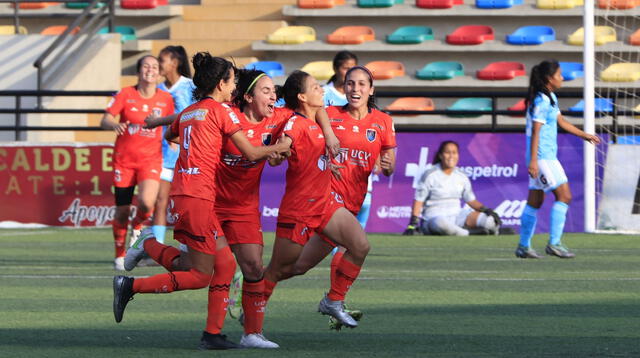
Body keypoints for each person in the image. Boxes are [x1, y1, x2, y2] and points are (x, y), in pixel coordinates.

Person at [112, 53, 290, 350]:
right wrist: (282, 145)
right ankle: (132, 281)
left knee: (222, 265)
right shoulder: (223, 112)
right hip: (197, 197)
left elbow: (171, 133)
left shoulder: (192, 111)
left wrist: (196, 148)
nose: (234, 87)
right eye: (232, 81)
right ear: (222, 83)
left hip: (187, 194)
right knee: (198, 274)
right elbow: (252, 153)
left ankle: (212, 334)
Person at [260, 70, 370, 330]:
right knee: (281, 270)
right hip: (300, 208)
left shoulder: (316, 117)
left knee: (360, 246)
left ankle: (333, 301)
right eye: (316, 87)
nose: (322, 89)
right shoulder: (295, 123)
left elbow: (317, 117)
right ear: (301, 96)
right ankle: (252, 305)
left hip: (326, 203)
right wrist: (275, 152)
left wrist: (325, 158)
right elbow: (283, 147)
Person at [314, 65, 398, 330]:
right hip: (325, 198)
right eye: (350, 83)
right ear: (344, 87)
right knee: (358, 245)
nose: (355, 89)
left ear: (371, 89)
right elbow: (310, 112)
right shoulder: (329, 113)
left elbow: (390, 167)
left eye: (362, 84)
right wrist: (327, 133)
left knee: (296, 264)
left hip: (353, 201)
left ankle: (257, 291)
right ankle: (335, 300)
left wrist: (387, 165)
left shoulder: (383, 121)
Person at [516, 59, 600, 259]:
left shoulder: (550, 97)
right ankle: (554, 243)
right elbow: (536, 131)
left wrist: (584, 134)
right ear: (548, 78)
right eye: (559, 74)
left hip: (546, 155)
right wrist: (534, 161)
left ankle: (523, 246)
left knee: (535, 200)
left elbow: (560, 121)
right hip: (542, 157)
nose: (562, 78)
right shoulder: (541, 100)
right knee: (565, 196)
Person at [100, 55, 175, 271]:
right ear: (138, 71)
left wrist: (172, 139)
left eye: (154, 67)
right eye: (145, 66)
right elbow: (105, 118)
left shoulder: (165, 98)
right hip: (124, 161)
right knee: (122, 210)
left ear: (159, 73)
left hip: (151, 160)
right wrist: (113, 125)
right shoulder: (125, 94)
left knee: (146, 203)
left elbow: (171, 123)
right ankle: (119, 254)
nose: (150, 70)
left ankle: (138, 229)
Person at [146, 45, 195, 244]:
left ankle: (190, 246)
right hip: (163, 156)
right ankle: (156, 246)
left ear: (175, 63)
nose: (158, 64)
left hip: (188, 156)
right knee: (160, 201)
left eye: (162, 60)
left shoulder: (190, 87)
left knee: (187, 205)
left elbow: (194, 116)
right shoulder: (157, 90)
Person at [402, 141, 502, 237]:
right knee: (441, 224)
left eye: (454, 153)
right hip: (433, 217)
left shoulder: (461, 175)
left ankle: (494, 231)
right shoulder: (430, 175)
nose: (451, 156)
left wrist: (487, 211)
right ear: (441, 155)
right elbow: (419, 200)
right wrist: (412, 224)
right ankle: (469, 233)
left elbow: (470, 200)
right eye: (447, 153)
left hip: (457, 216)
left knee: (489, 221)